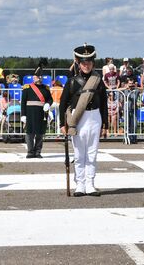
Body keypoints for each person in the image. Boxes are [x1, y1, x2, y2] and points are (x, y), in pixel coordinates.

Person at [59, 44, 108, 196]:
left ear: (93, 63)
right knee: (79, 154)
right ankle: (80, 184)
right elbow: (63, 103)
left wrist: (105, 125)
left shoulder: (98, 81)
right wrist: (62, 124)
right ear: (78, 64)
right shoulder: (72, 81)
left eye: (89, 62)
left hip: (94, 117)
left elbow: (104, 104)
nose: (86, 65)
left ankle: (90, 184)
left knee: (92, 153)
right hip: (78, 118)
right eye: (83, 62)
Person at [21, 60, 53, 158]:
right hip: (30, 113)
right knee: (30, 133)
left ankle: (38, 151)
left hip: (41, 113)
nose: (39, 78)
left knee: (40, 133)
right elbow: (23, 102)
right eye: (37, 76)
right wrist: (23, 115)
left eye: (40, 76)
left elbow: (50, 99)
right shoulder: (27, 88)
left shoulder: (46, 88)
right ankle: (30, 152)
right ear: (33, 77)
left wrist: (48, 104)